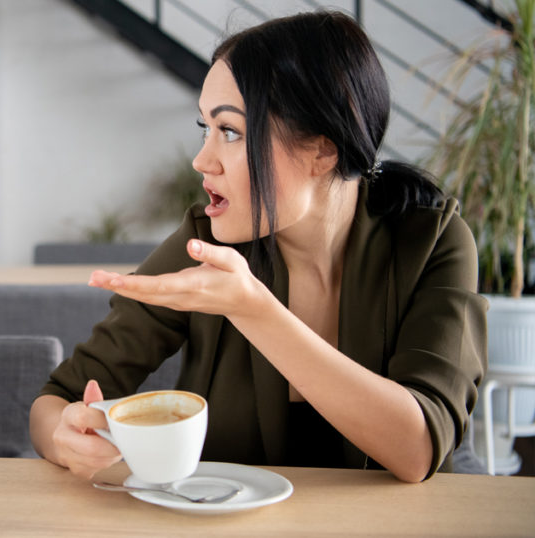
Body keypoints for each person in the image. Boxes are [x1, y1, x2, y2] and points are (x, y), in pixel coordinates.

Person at [29, 11, 487, 484]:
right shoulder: (205, 241)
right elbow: (57, 399)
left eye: (230, 131)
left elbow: (417, 450)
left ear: (323, 150)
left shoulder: (433, 243)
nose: (202, 159)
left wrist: (253, 310)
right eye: (205, 128)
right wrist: (67, 438)